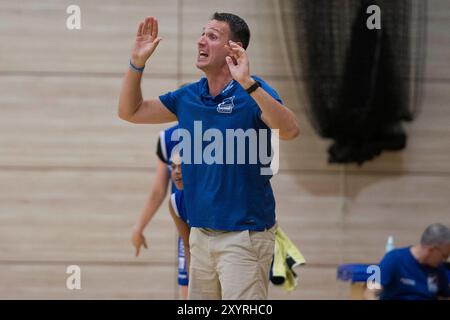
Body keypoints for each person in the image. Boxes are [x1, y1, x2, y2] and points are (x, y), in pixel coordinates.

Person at [118, 13, 300, 299]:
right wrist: (136, 63)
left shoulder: (254, 91)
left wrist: (248, 83)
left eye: (212, 36)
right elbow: (130, 111)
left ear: (234, 49)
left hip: (245, 237)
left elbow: (290, 130)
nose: (201, 40)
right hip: (201, 235)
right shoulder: (188, 98)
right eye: (203, 34)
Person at [131, 124, 191, 299]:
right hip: (187, 227)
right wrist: (139, 227)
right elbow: (158, 190)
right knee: (189, 291)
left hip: (218, 223)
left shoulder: (217, 128)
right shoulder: (168, 137)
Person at [374, 223, 450, 300]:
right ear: (431, 250)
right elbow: (370, 291)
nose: (444, 260)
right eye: (444, 256)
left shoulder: (438, 269)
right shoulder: (393, 259)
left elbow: (444, 295)